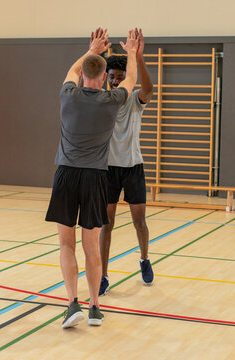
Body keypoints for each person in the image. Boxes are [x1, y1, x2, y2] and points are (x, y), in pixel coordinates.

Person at [45, 28, 138, 328]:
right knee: (91, 246)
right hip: (97, 178)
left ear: (85, 76)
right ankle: (95, 307)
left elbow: (73, 69)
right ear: (103, 79)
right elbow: (132, 80)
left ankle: (72, 303)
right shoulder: (111, 101)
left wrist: (92, 48)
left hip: (66, 175)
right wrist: (133, 52)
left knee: (65, 244)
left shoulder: (67, 96)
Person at [99, 28, 154, 296]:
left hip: (133, 167)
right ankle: (103, 274)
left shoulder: (134, 100)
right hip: (107, 169)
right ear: (106, 78)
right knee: (106, 224)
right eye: (112, 77)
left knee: (138, 221)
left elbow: (149, 88)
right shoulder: (102, 100)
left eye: (121, 78)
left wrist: (138, 58)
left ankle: (144, 259)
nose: (116, 81)